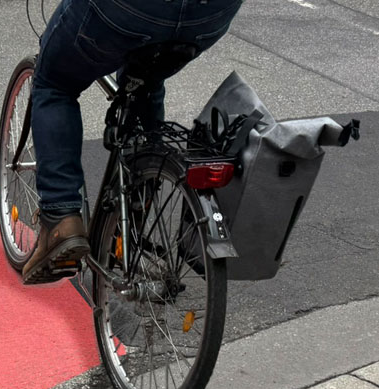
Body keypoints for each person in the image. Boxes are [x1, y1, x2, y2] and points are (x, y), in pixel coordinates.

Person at [21, 0, 244, 284]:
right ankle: (128, 228)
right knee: (146, 79)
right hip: (210, 14)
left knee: (55, 81)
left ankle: (60, 216)